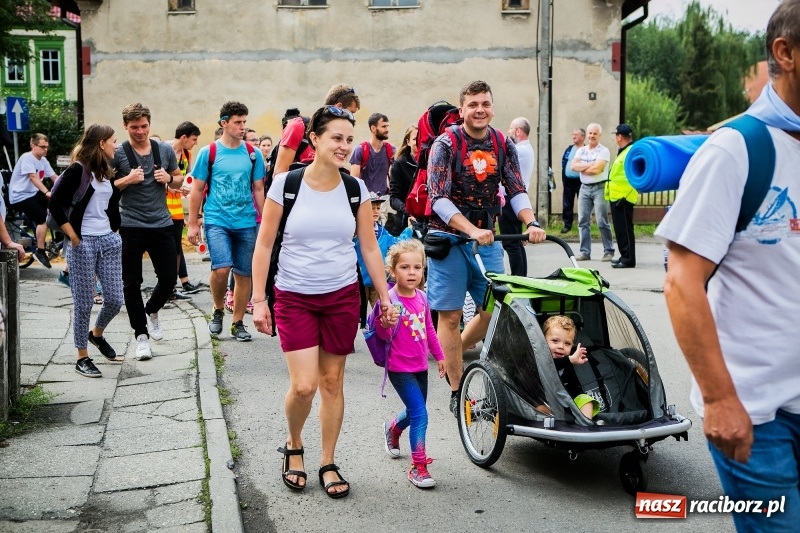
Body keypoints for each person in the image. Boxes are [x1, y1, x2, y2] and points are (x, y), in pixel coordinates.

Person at [658, 3, 800, 530]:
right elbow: (680, 282)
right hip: (759, 416)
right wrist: (719, 400)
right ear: (785, 53)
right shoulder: (736, 150)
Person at [251, 105, 397, 498]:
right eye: (336, 138)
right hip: (294, 295)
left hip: (341, 296)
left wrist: (385, 297)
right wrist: (259, 299)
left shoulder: (355, 189)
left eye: (349, 139)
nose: (344, 146)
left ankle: (328, 460)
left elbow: (368, 247)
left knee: (332, 382)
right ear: (313, 139)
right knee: (304, 385)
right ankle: (294, 443)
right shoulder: (286, 184)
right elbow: (264, 244)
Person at [425, 80, 546, 416]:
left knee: (493, 310)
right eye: (473, 104)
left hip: (487, 240)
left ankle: (453, 354)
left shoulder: (500, 142)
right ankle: (455, 387)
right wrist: (469, 228)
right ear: (462, 109)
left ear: (492, 107)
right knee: (449, 316)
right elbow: (438, 197)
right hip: (449, 239)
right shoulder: (446, 144)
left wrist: (531, 222)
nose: (480, 110)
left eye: (485, 104)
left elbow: (516, 187)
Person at [49, 124, 124, 378]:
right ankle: (82, 356)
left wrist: (115, 231)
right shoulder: (77, 171)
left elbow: (112, 203)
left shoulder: (106, 171)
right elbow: (56, 205)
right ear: (101, 143)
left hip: (108, 241)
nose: (117, 144)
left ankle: (97, 334)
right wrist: (73, 236)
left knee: (115, 299)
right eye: (114, 140)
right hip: (83, 243)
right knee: (83, 303)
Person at [187, 101, 265, 342]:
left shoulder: (253, 154)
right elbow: (197, 189)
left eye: (244, 122)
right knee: (221, 269)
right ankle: (218, 309)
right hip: (217, 219)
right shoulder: (208, 153)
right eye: (237, 122)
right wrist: (192, 222)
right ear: (224, 123)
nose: (242, 127)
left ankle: (238, 322)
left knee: (243, 274)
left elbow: (259, 189)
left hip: (246, 221)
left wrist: (266, 223)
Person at [111, 103, 183, 360]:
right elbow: (107, 187)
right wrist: (126, 180)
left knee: (168, 278)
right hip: (130, 224)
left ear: (149, 124)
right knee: (131, 282)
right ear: (125, 127)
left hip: (161, 223)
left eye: (143, 126)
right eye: (134, 127)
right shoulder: (118, 153)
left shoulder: (163, 149)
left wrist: (169, 179)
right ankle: (141, 336)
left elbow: (179, 178)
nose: (140, 131)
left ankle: (152, 310)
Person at [379, 239, 446, 488]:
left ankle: (393, 428)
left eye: (417, 268)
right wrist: (387, 323)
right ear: (393, 270)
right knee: (421, 414)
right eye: (405, 267)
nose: (412, 273)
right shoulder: (389, 300)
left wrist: (440, 356)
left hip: (420, 367)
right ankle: (418, 466)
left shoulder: (422, 298)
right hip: (399, 368)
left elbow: (429, 329)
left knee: (414, 411)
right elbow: (382, 336)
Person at [272, 84, 361, 176]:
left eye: (350, 140)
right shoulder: (298, 126)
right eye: (351, 112)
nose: (352, 118)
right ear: (338, 107)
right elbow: (279, 173)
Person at [8, 133, 57, 267]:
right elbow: (33, 178)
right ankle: (40, 251)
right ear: (33, 146)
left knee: (58, 206)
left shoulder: (43, 161)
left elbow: (55, 178)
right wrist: (47, 191)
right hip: (20, 196)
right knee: (43, 219)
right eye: (42, 147)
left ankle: (58, 237)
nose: (45, 150)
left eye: (47, 147)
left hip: (32, 193)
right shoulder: (27, 158)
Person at [354, 192, 412, 306]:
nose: (376, 211)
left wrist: (409, 229)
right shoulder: (355, 233)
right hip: (358, 282)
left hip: (378, 281)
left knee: (380, 313)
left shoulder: (383, 233)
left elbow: (397, 243)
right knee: (357, 315)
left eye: (378, 208)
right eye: (372, 208)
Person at [571, 123, 614, 262]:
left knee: (602, 220)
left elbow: (597, 170)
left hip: (599, 187)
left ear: (599, 135)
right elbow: (573, 166)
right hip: (584, 187)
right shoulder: (581, 150)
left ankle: (609, 250)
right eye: (590, 133)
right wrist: (591, 164)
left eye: (595, 133)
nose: (591, 136)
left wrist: (582, 167)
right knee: (583, 221)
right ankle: (585, 252)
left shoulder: (604, 151)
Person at [542, 316, 599, 419]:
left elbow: (573, 387)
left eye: (567, 343)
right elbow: (549, 365)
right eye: (555, 341)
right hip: (544, 401)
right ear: (543, 341)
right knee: (540, 407)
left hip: (564, 403)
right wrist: (570, 360)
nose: (561, 346)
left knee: (586, 400)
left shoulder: (567, 364)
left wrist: (577, 401)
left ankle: (586, 426)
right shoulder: (539, 359)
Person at [170, 121, 203, 298]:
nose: (195, 143)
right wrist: (174, 188)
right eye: (194, 139)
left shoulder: (187, 154)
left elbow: (188, 180)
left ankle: (173, 287)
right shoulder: (164, 150)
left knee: (176, 248)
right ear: (184, 137)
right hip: (160, 207)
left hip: (176, 208)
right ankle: (169, 286)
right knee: (168, 249)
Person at [500, 117, 536, 276]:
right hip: (517, 199)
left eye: (510, 128)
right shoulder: (527, 149)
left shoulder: (518, 150)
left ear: (518, 131)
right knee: (517, 243)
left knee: (511, 244)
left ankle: (518, 277)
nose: (508, 132)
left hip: (510, 199)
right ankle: (521, 276)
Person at [605, 124, 637, 269]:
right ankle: (624, 255)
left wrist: (626, 195)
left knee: (625, 229)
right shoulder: (624, 151)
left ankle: (628, 259)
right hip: (617, 196)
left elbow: (634, 175)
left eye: (616, 135)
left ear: (619, 137)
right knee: (620, 230)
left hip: (623, 197)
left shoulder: (630, 152)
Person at [350, 112, 393, 195]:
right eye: (383, 126)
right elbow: (353, 181)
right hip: (365, 199)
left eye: (387, 126)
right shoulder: (360, 150)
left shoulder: (391, 150)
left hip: (383, 200)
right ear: (373, 128)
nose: (387, 130)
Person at [386, 125, 418, 236]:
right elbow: (394, 198)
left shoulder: (432, 163)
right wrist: (408, 211)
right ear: (408, 142)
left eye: (421, 138)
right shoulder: (399, 164)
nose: (418, 141)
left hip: (429, 225)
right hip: (405, 225)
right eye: (415, 139)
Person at [560, 128, 585, 233]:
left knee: (582, 204)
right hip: (568, 182)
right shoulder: (570, 149)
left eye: (576, 134)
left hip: (581, 182)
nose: (574, 136)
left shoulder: (586, 150)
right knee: (567, 204)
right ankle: (567, 225)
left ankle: (582, 224)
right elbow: (564, 161)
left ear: (582, 137)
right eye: (573, 134)